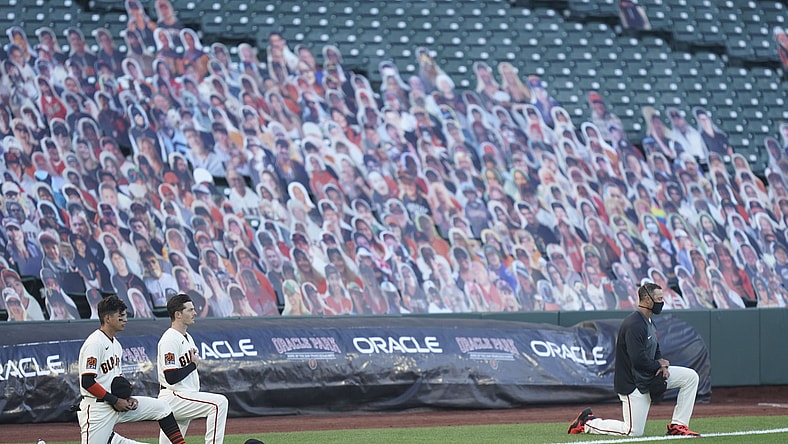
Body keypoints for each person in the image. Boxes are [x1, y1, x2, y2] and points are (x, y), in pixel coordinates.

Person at [568, 282, 700, 437]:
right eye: (659, 298)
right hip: (633, 383)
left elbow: (655, 349)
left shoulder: (649, 321)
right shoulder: (634, 324)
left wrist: (662, 367)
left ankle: (678, 426)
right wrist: (658, 364)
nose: (662, 302)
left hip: (648, 376)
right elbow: (638, 360)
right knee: (632, 431)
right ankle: (587, 423)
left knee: (690, 377)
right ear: (647, 300)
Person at [77, 296, 186, 444]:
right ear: (108, 318)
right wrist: (115, 400)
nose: (125, 319)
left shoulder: (116, 345)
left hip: (116, 404)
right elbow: (87, 381)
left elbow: (115, 380)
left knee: (163, 408)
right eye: (120, 316)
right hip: (97, 409)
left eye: (125, 315)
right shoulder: (95, 343)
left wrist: (127, 398)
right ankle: (111, 439)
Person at [157, 293, 228, 444]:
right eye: (190, 310)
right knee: (219, 403)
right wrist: (192, 365)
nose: (195, 313)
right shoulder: (169, 339)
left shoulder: (188, 337)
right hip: (174, 396)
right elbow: (171, 377)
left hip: (185, 395)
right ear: (178, 314)